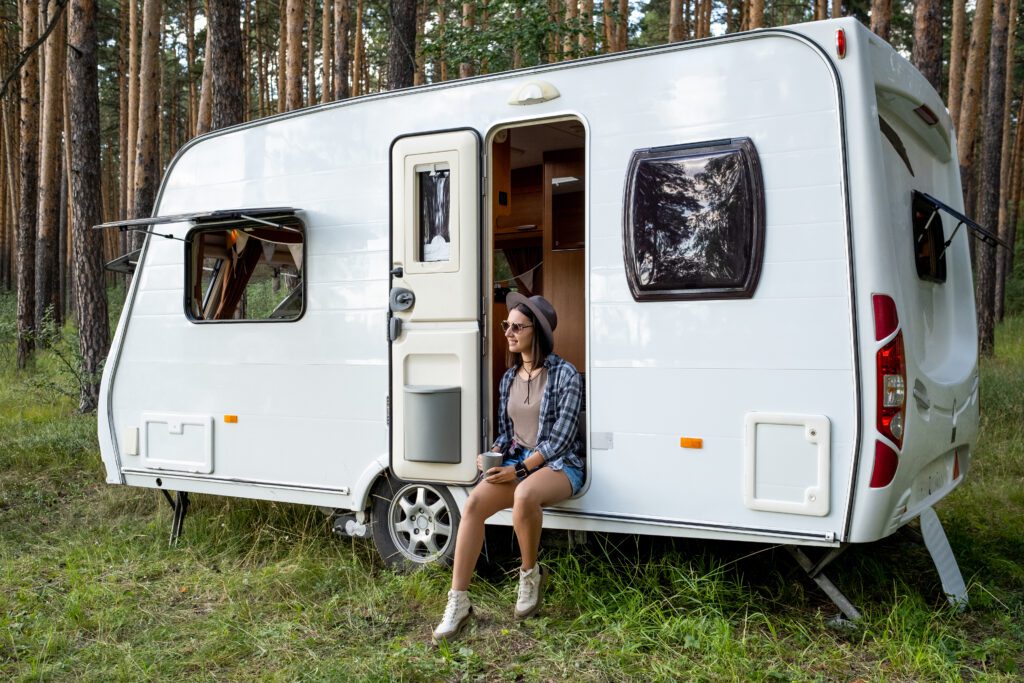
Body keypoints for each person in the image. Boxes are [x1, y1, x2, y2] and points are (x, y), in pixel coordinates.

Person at [433, 293, 585, 642]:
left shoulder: (565, 375)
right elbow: (507, 434)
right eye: (506, 325)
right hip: (519, 462)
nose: (508, 332)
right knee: (472, 504)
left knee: (526, 495)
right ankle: (459, 603)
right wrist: (493, 455)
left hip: (560, 465)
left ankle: (530, 575)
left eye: (517, 326)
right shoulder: (509, 378)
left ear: (538, 332)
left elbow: (560, 440)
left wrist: (518, 472)